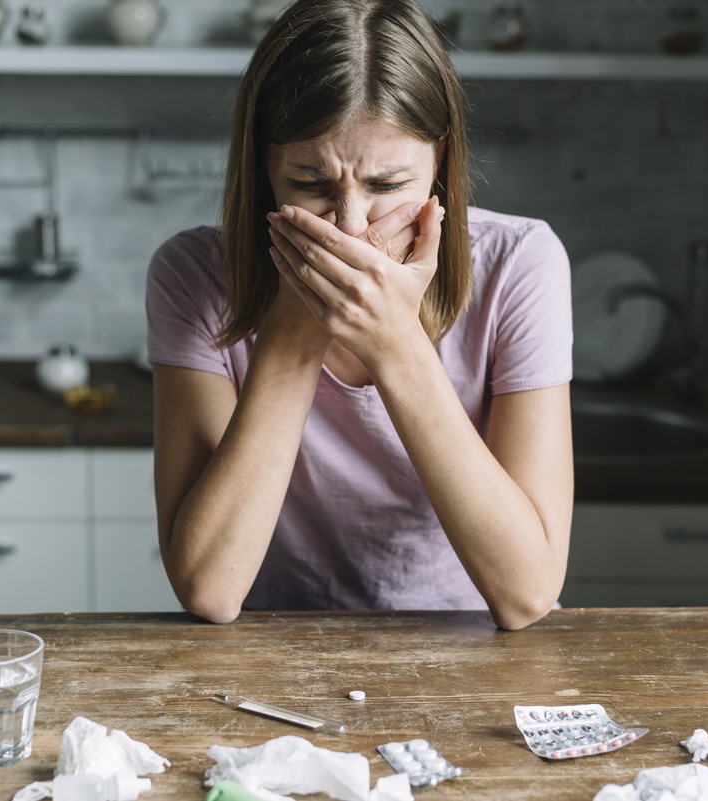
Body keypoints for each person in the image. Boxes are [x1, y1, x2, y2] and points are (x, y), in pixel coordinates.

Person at [146, 0, 573, 630]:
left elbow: (527, 592)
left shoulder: (520, 263)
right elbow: (209, 587)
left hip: (474, 643)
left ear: (438, 164)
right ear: (265, 168)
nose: (349, 226)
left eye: (387, 185)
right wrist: (298, 325)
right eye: (311, 182)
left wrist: (396, 343)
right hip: (279, 648)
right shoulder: (194, 276)